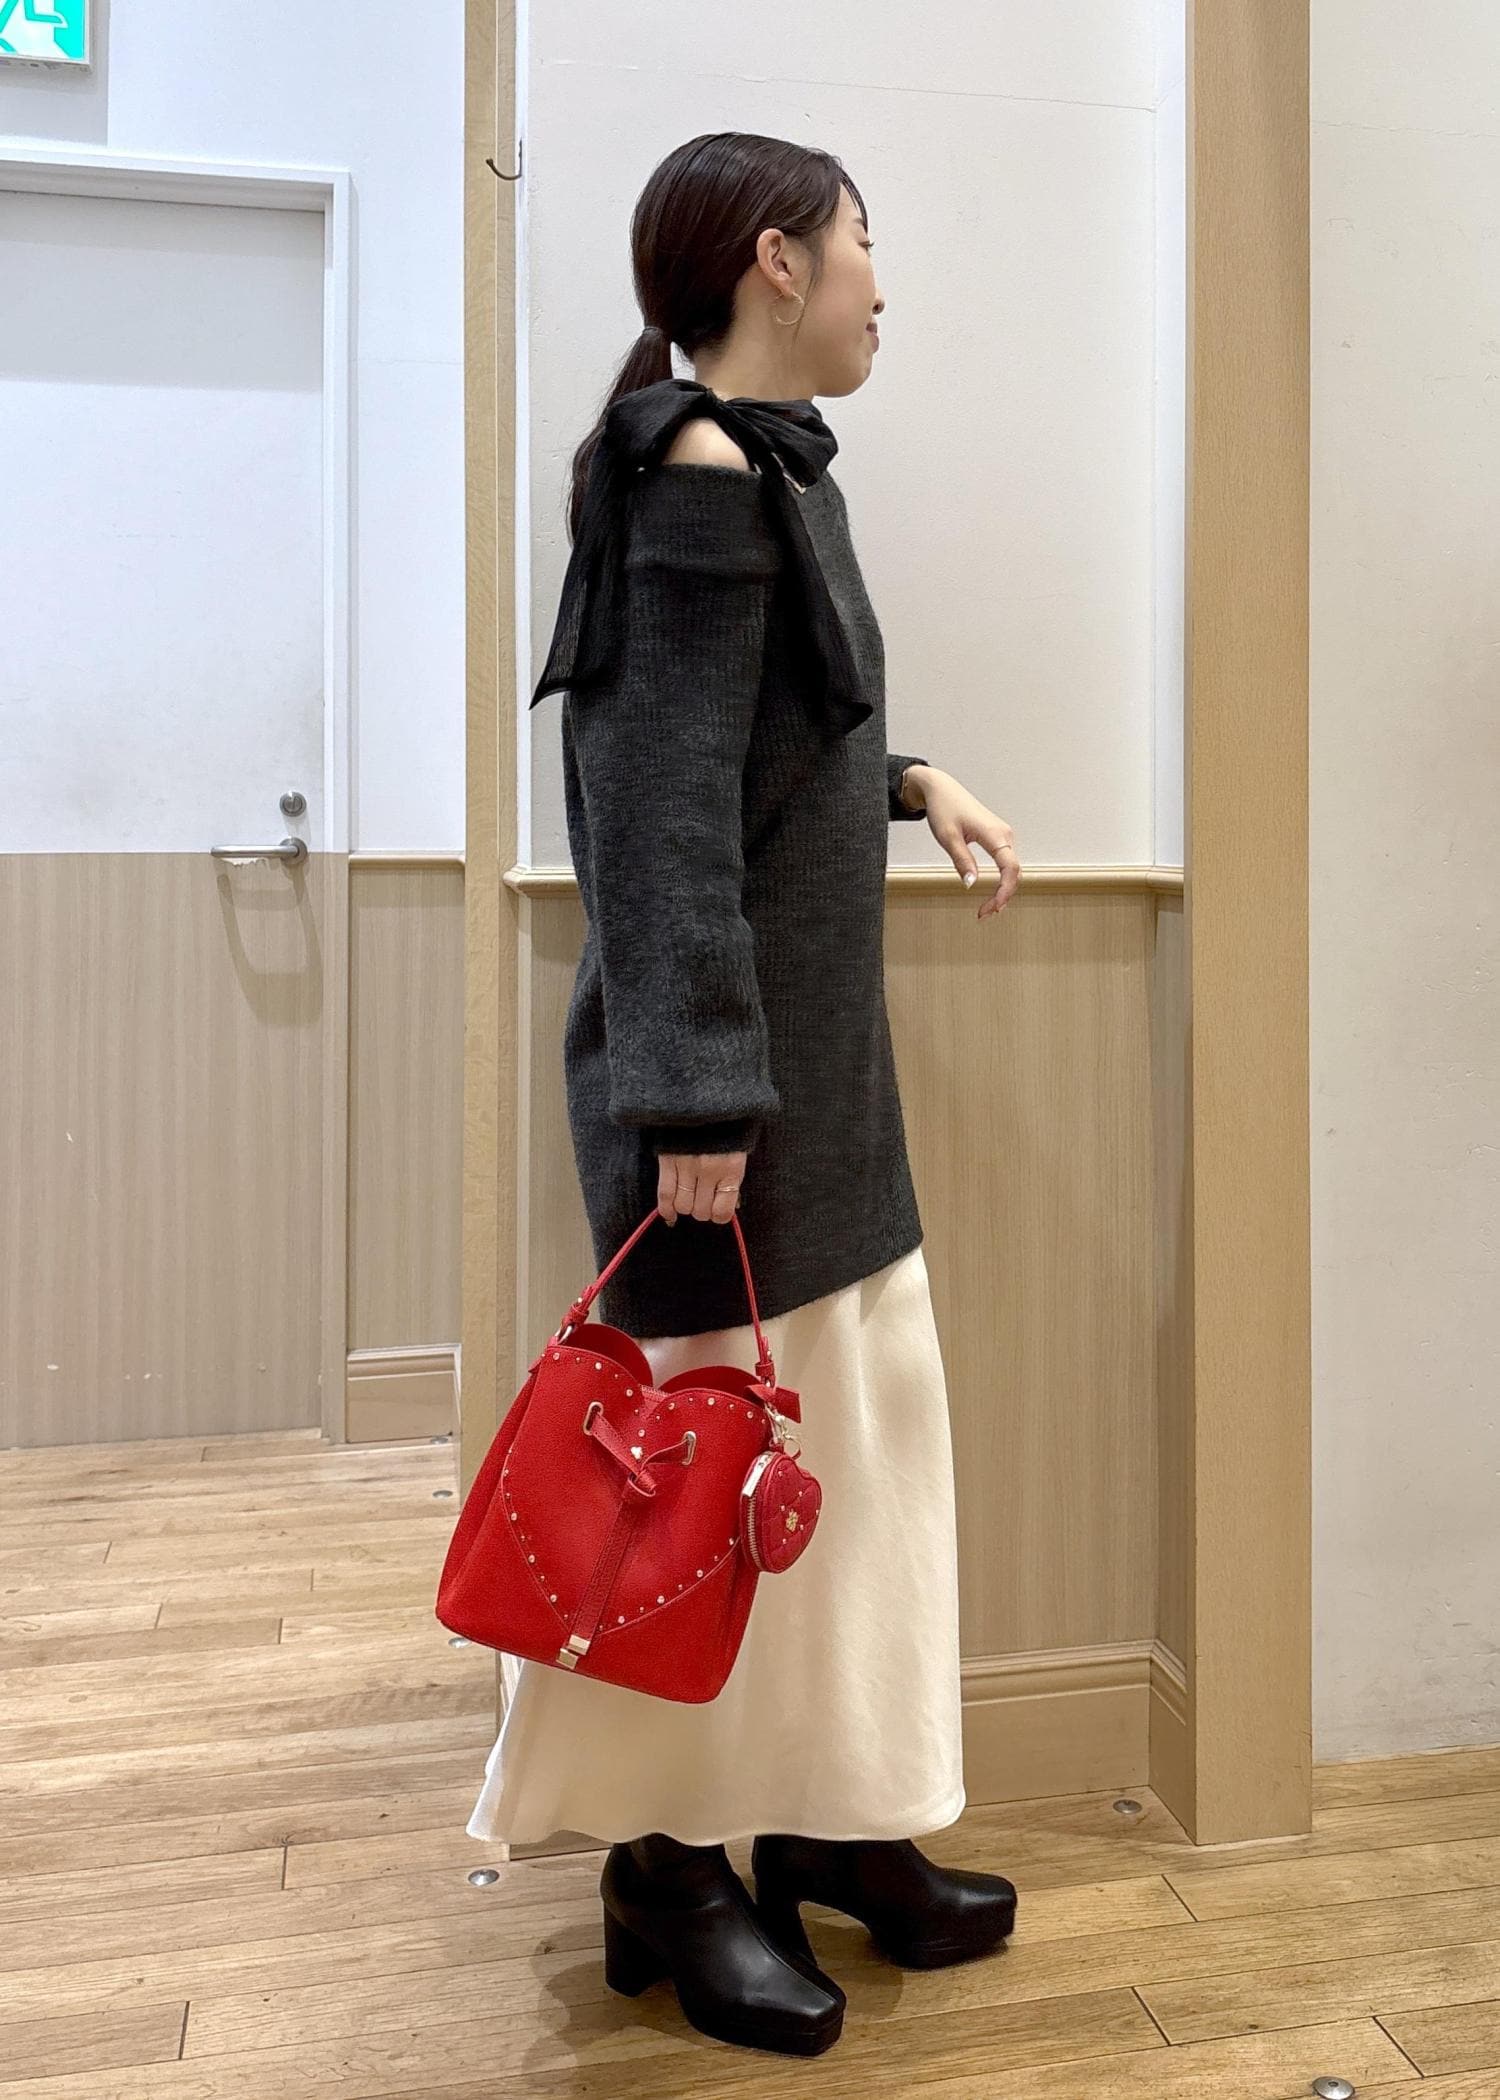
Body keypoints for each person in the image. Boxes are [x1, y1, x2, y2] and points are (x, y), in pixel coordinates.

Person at [468, 130, 1024, 2058]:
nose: (882, 281)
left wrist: (911, 777)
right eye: (865, 243)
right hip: (729, 1112)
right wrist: (695, 1098)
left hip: (809, 1092)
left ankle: (826, 1817)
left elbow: (759, 750)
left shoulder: (765, 470)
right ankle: (668, 1866)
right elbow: (654, 814)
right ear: (777, 263)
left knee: (836, 1470)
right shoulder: (695, 476)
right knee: (694, 1490)